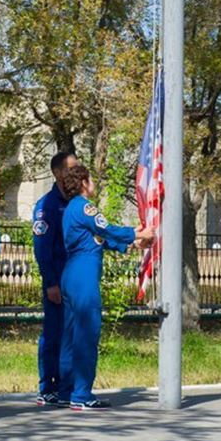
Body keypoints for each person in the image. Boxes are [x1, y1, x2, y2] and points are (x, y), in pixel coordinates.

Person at [56, 165, 153, 411]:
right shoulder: (85, 207)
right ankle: (82, 394)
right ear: (84, 183)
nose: (93, 184)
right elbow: (105, 229)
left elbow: (98, 240)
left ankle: (67, 390)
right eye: (91, 180)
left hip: (71, 274)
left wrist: (130, 245)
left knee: (69, 335)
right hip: (84, 276)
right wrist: (136, 232)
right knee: (87, 334)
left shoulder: (71, 210)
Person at [32, 151, 78, 406]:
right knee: (54, 333)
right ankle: (47, 385)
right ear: (58, 173)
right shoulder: (47, 205)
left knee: (70, 334)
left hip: (73, 279)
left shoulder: (74, 203)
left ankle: (65, 386)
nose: (76, 172)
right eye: (72, 168)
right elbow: (42, 248)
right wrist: (50, 281)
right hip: (57, 279)